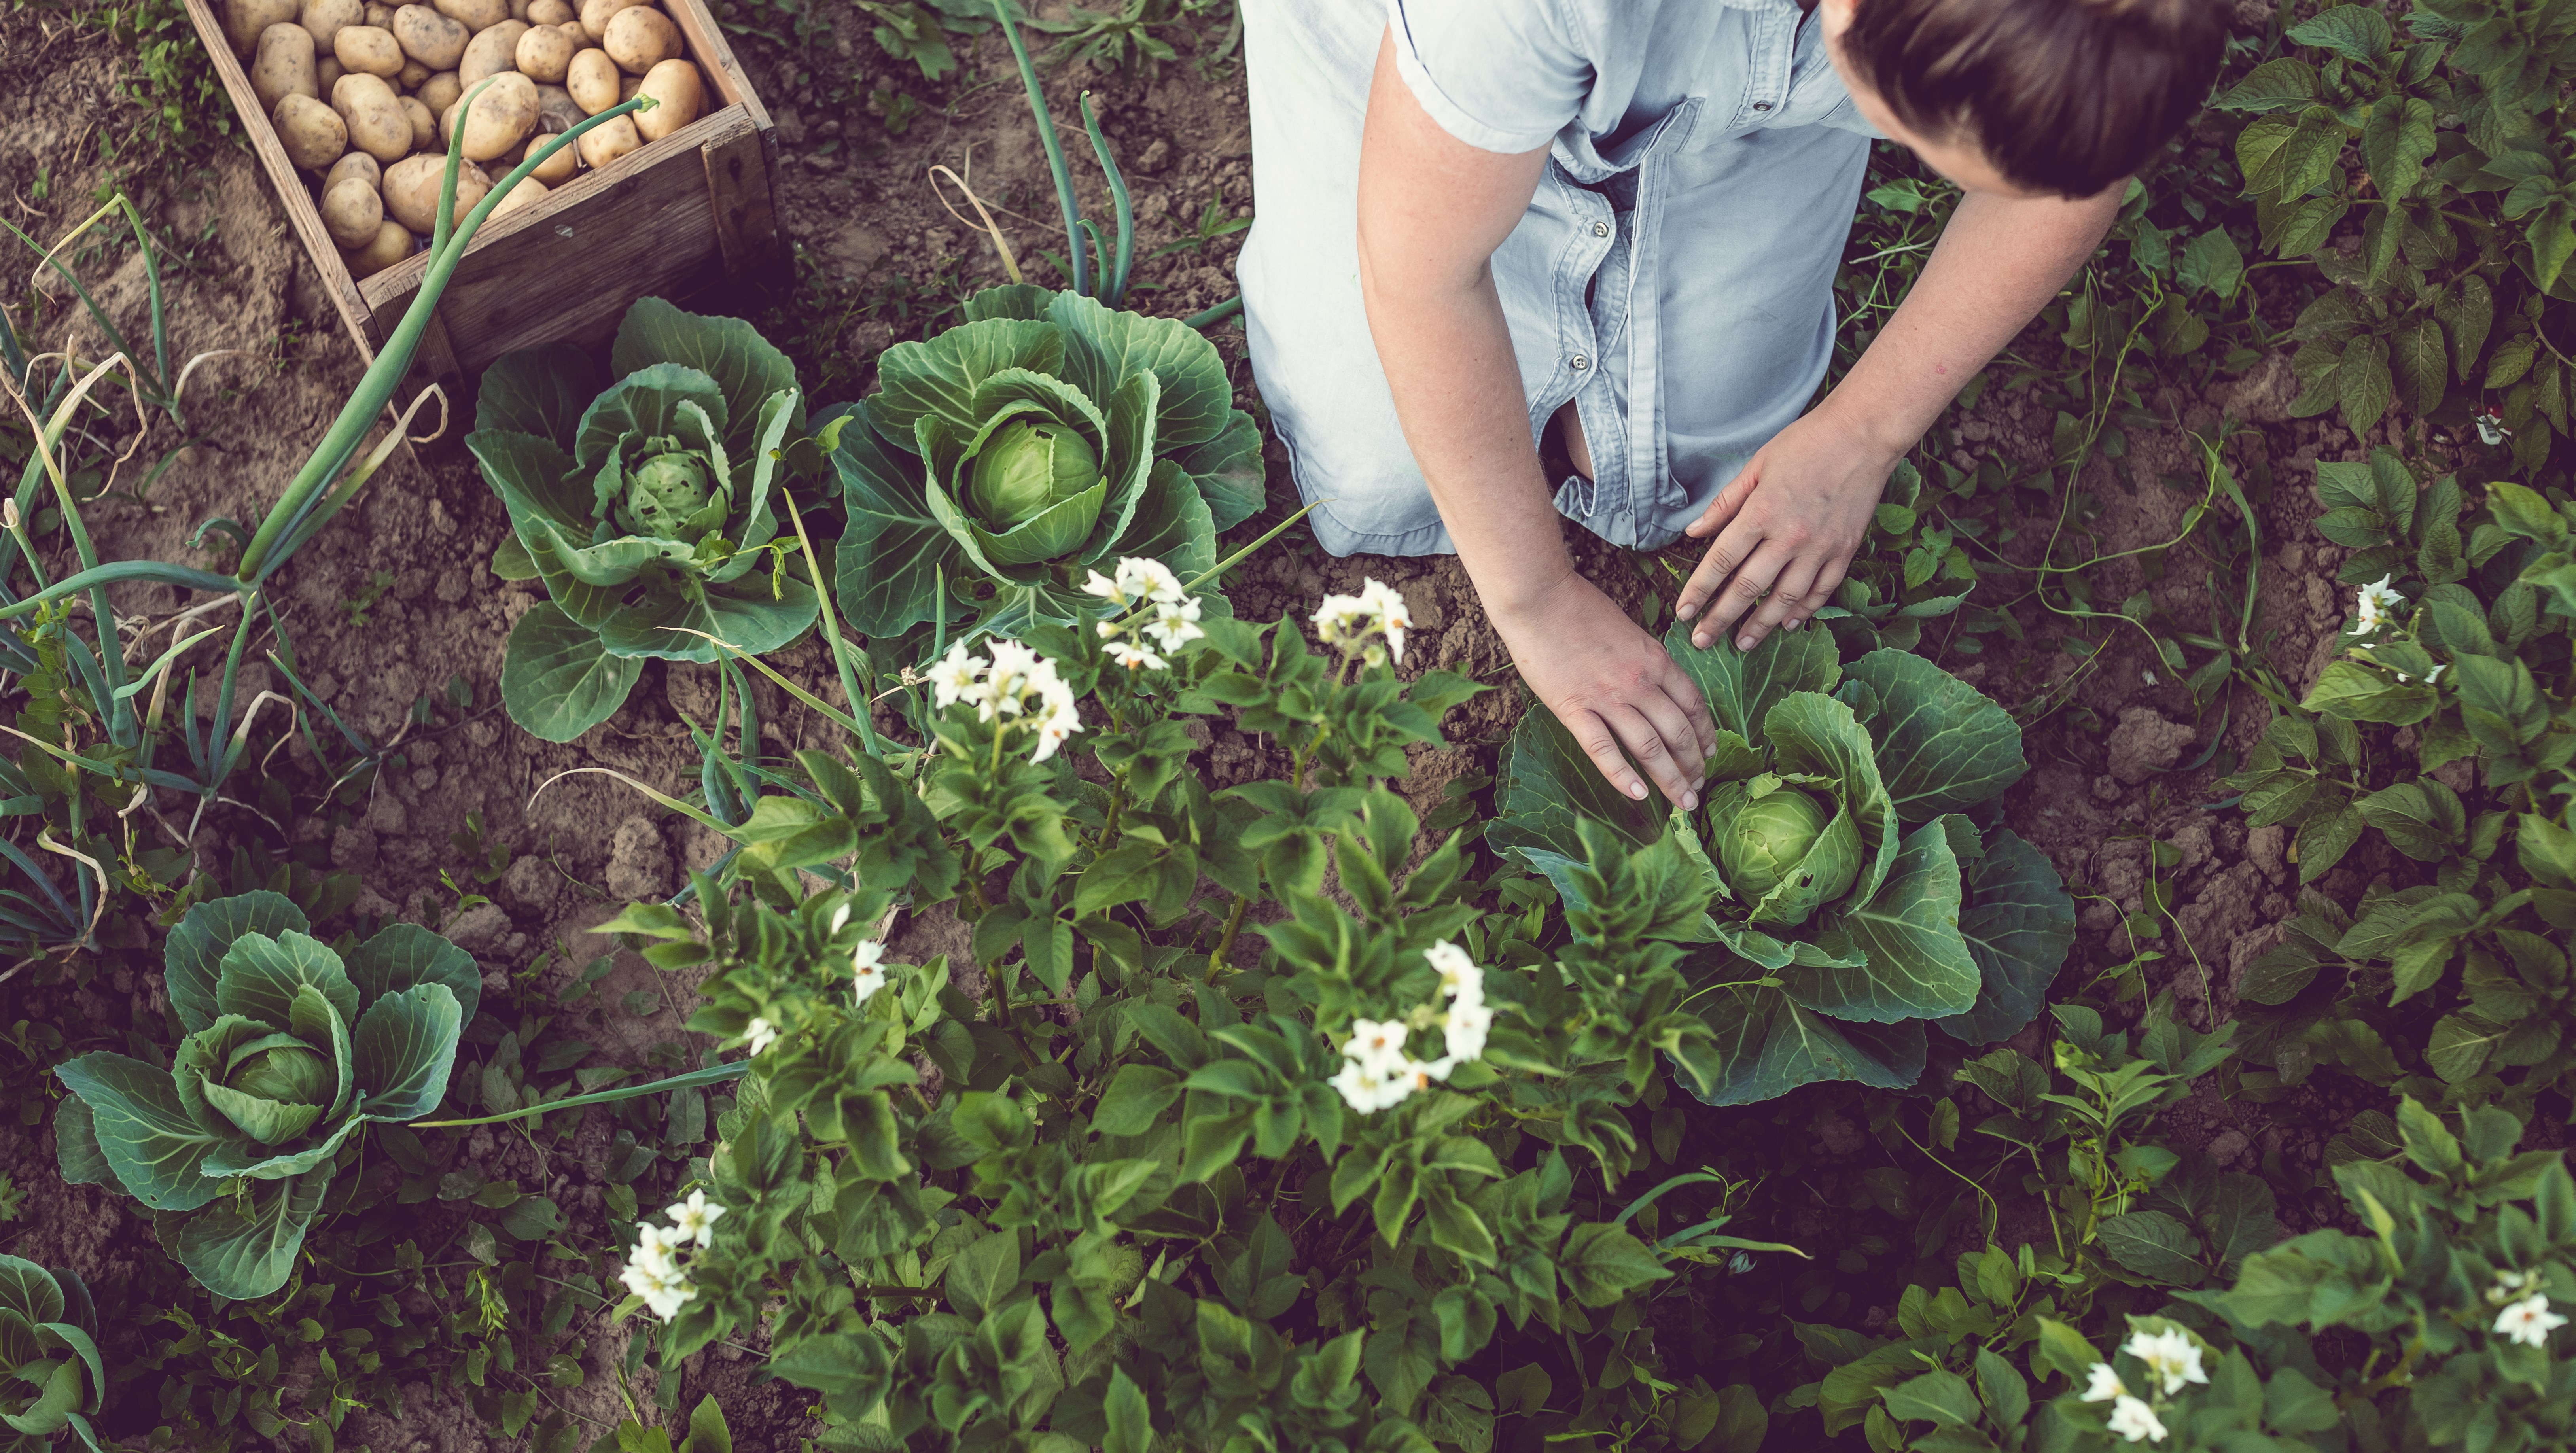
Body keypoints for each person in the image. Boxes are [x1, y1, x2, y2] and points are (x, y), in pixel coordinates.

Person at [1238, 0, 2224, 808]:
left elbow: (2068, 170)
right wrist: (1534, 605)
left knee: (1689, 478)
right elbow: (1420, 278)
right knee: (1379, 475)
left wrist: (1862, 432)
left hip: (1747, 60)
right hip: (1425, 41)